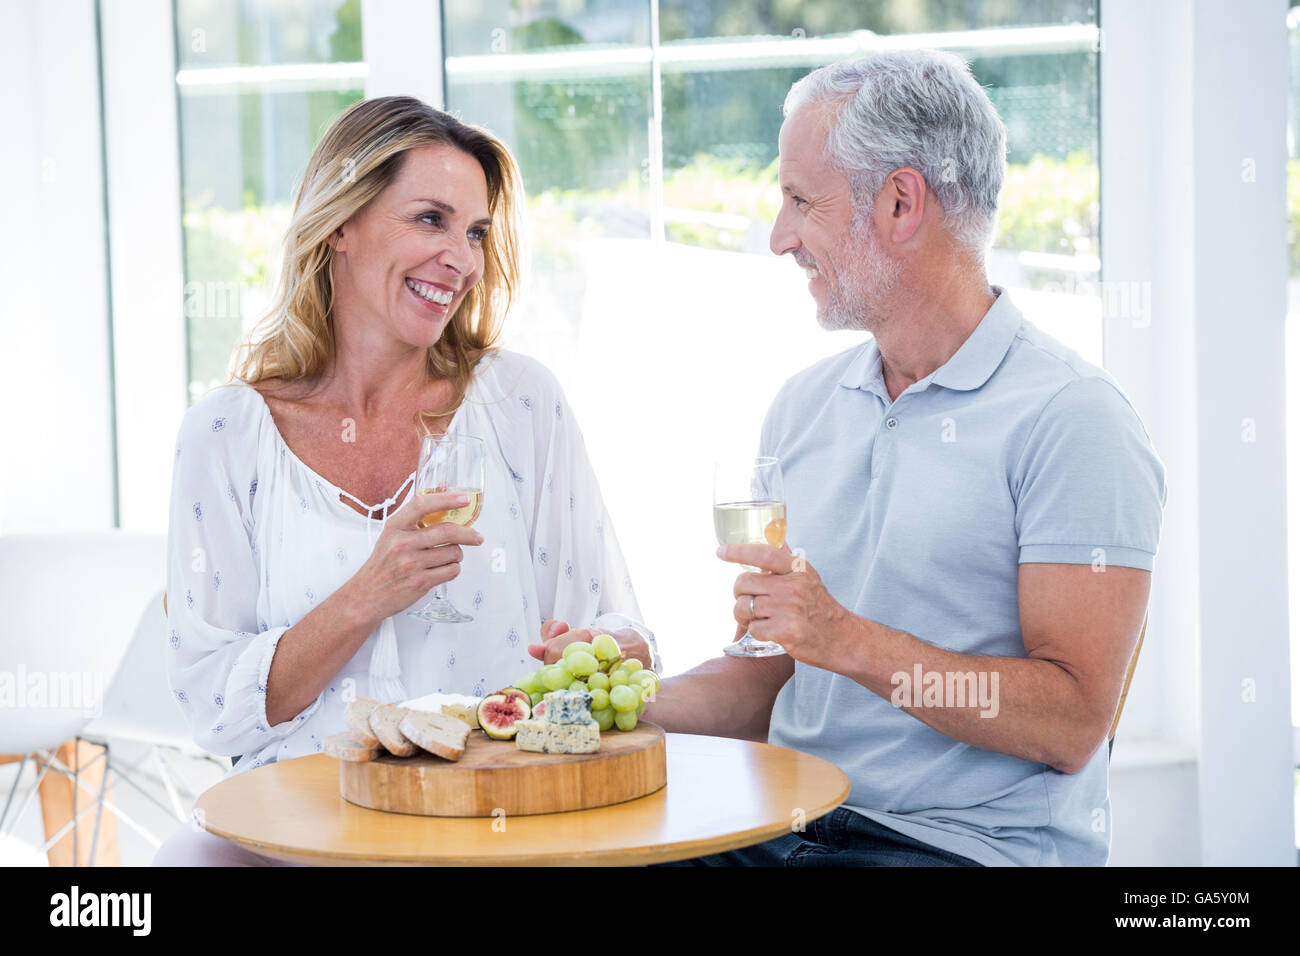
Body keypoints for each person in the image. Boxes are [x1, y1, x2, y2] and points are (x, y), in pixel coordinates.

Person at [539, 50, 1166, 866]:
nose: (778, 238)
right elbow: (767, 681)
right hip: (787, 828)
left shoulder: (1073, 422)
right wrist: (617, 704)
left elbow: (1071, 723)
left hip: (955, 849)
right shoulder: (805, 406)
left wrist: (847, 640)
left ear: (902, 202)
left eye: (802, 201)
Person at [154, 96, 657, 866]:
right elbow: (216, 708)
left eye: (477, 232)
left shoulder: (519, 403)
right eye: (431, 219)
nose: (461, 258)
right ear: (341, 226)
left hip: (489, 815)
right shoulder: (226, 436)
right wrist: (367, 594)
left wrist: (602, 650)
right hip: (300, 825)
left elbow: (618, 627)